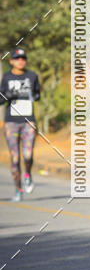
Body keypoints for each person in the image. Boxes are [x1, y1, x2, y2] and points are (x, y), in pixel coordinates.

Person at [1, 48, 41, 202]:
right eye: (17, 58)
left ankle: (28, 174)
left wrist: (34, 96)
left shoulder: (32, 76)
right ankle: (18, 190)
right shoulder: (7, 77)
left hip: (28, 121)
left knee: (28, 154)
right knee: (15, 158)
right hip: (11, 121)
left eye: (23, 58)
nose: (20, 61)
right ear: (11, 61)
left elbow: (37, 94)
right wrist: (7, 96)